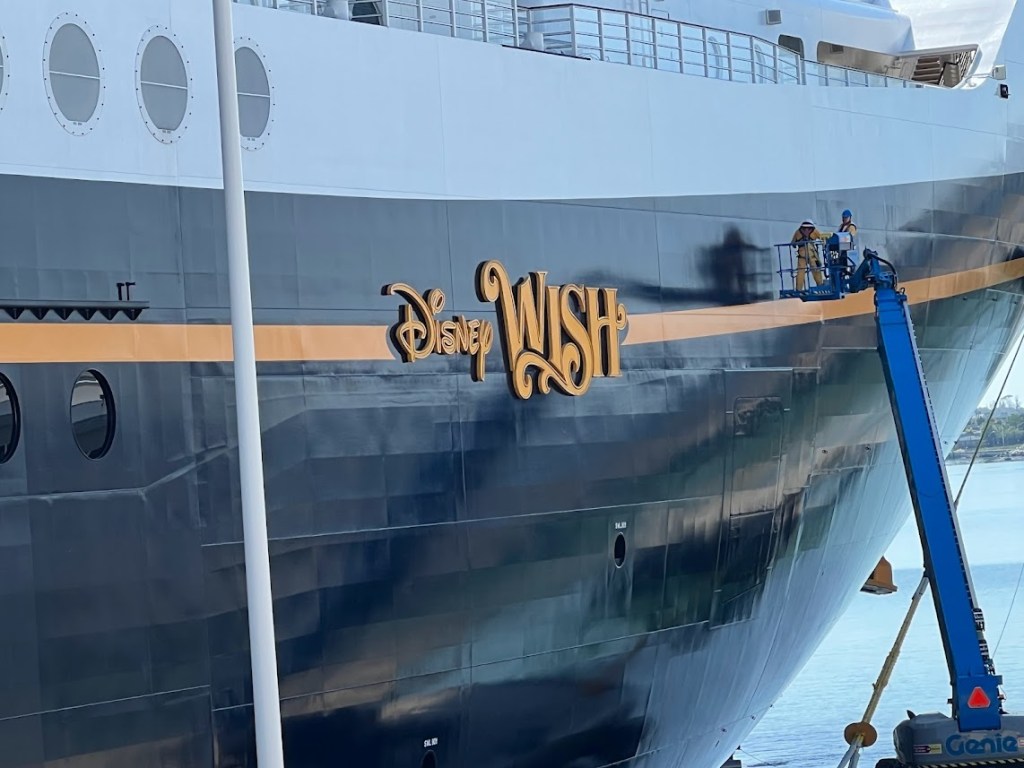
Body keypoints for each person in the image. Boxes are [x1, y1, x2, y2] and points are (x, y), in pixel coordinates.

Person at [790, 219, 830, 290]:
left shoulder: (798, 232)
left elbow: (793, 244)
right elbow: (822, 237)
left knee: (800, 271)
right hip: (811, 254)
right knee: (816, 269)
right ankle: (820, 286)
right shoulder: (814, 231)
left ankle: (798, 289)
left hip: (801, 254)